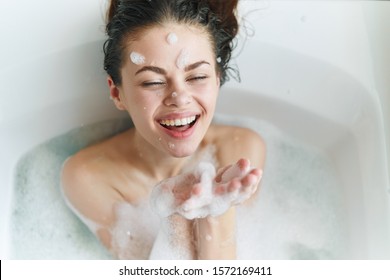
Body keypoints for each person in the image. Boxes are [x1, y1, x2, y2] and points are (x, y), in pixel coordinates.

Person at [61, 0, 265, 260]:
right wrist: (175, 216)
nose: (180, 98)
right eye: (153, 81)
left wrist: (217, 210)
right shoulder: (88, 178)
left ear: (217, 79)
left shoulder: (242, 149)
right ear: (117, 92)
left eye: (197, 77)